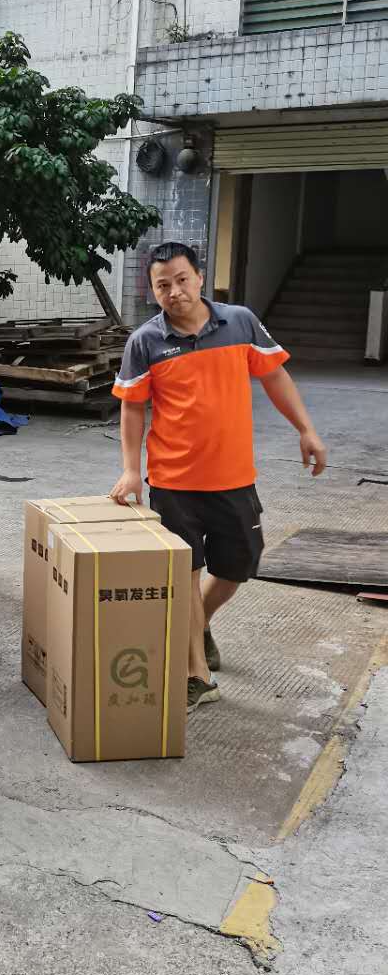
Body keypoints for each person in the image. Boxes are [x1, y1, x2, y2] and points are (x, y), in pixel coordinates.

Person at [110, 241, 327, 712]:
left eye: (181, 280)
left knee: (237, 567)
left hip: (233, 477)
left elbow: (274, 376)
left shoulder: (240, 322)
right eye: (162, 285)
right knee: (184, 576)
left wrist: (306, 430)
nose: (174, 292)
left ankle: (199, 625)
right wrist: (131, 470)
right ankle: (196, 675)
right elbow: (132, 407)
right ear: (152, 291)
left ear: (200, 277)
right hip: (173, 482)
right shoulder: (145, 342)